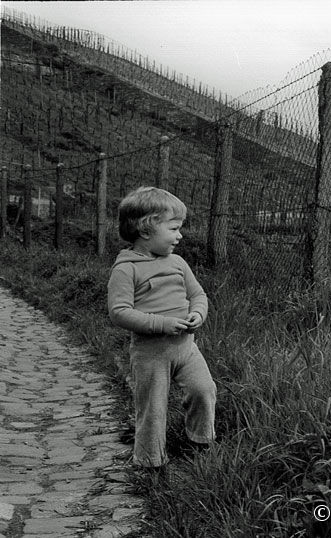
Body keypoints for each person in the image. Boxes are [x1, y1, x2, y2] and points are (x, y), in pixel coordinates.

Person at [107, 186, 216, 468]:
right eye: (173, 228)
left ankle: (201, 442)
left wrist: (197, 314)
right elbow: (119, 312)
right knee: (153, 409)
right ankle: (149, 462)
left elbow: (198, 295)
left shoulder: (178, 263)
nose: (179, 235)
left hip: (186, 348)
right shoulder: (126, 269)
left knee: (203, 390)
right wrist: (163, 324)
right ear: (146, 229)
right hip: (150, 353)